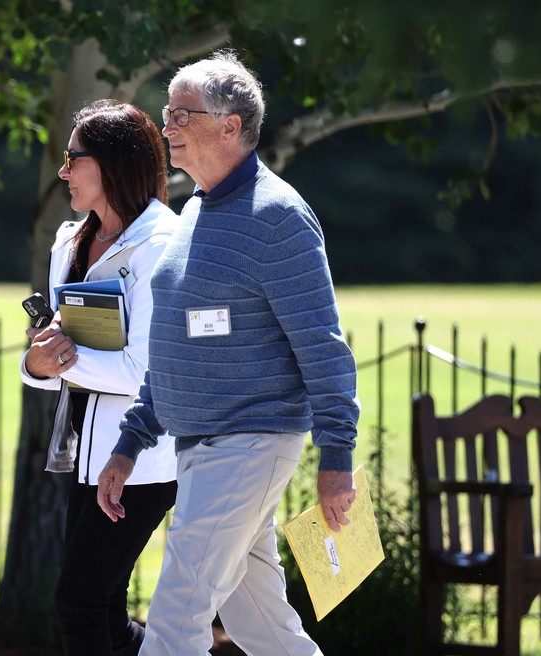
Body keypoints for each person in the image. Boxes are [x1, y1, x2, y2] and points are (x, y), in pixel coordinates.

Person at [96, 51, 360, 656]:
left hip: (249, 442)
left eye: (181, 115)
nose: (167, 129)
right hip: (202, 447)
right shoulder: (193, 212)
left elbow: (322, 345)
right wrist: (131, 441)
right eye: (167, 114)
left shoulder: (279, 217)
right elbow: (177, 344)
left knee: (175, 615)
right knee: (263, 629)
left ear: (230, 125)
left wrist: (337, 456)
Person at [21, 100, 179, 656]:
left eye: (73, 158)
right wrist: (36, 365)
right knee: (104, 611)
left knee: (79, 604)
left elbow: (145, 371)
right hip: (85, 454)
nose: (63, 171)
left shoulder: (163, 246)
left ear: (111, 163)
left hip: (143, 459)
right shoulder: (69, 241)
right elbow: (59, 348)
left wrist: (57, 359)